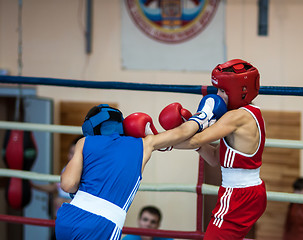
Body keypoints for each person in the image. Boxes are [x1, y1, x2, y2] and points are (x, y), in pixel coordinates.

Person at [55, 100, 227, 240]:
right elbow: (182, 133)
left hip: (68, 217)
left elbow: (68, 185)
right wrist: (204, 113)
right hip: (101, 224)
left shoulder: (84, 143)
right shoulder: (144, 144)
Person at [172, 59, 267, 239]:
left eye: (222, 90)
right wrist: (191, 143)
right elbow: (216, 158)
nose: (217, 95)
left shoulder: (236, 116)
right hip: (249, 192)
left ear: (241, 91)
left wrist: (155, 140)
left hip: (239, 194)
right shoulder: (252, 112)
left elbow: (195, 139)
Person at [31, 135, 83, 219]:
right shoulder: (66, 169)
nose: (71, 157)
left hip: (73, 218)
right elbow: (56, 187)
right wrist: (34, 186)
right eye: (70, 153)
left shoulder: (84, 172)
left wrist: (65, 202)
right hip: (60, 217)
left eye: (75, 153)